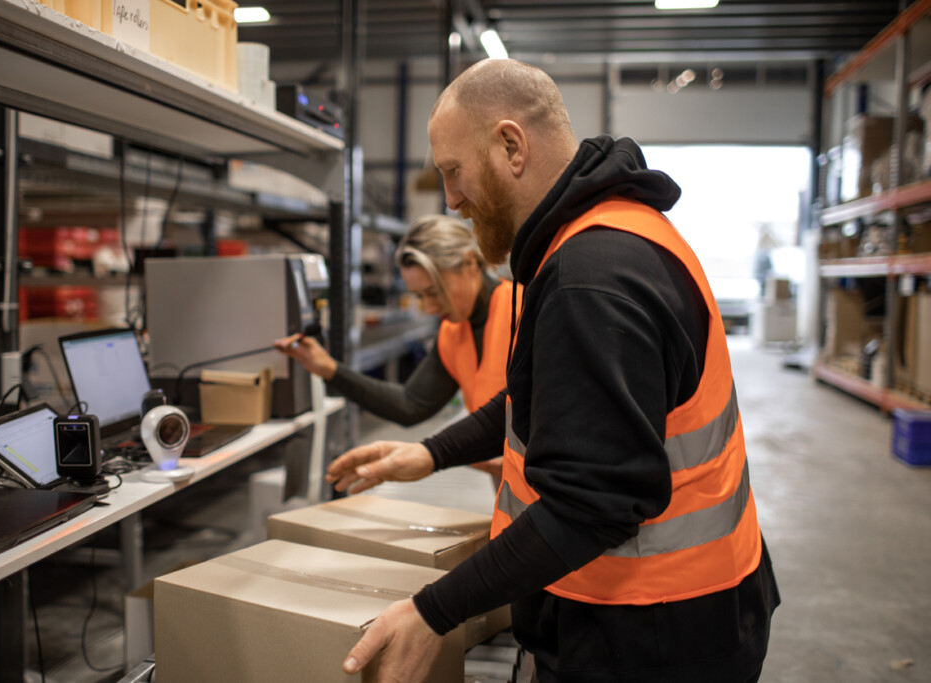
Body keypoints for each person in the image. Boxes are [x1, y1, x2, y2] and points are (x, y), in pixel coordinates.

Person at [326, 58, 780, 683]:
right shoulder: (616, 235)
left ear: (511, 145)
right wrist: (429, 454)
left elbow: (590, 504)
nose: (452, 200)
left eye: (453, 172)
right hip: (682, 611)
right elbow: (542, 404)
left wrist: (433, 613)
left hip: (649, 632)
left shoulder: (589, 278)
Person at [275, 214, 520, 479]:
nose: (430, 308)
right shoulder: (452, 332)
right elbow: (410, 405)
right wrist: (330, 369)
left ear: (470, 264)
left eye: (434, 291)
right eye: (419, 296)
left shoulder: (523, 313)